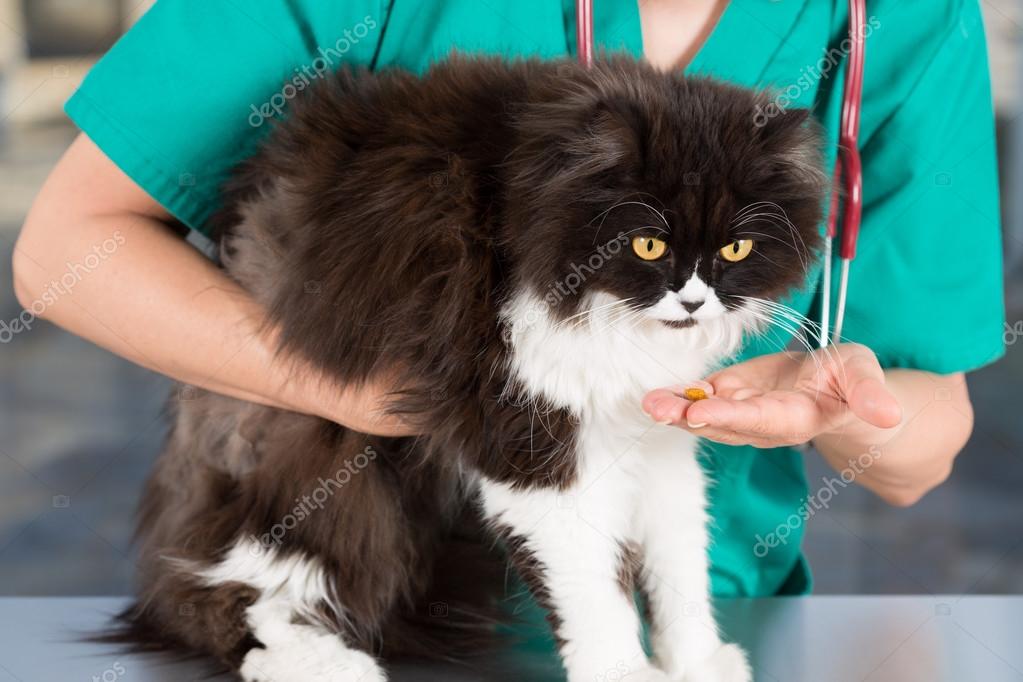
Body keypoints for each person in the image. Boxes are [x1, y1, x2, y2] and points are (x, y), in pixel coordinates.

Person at [12, 0, 1003, 604]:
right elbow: (67, 250)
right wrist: (390, 392)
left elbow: (921, 452)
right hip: (361, 600)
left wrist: (832, 406)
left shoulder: (906, 20)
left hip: (704, 614)